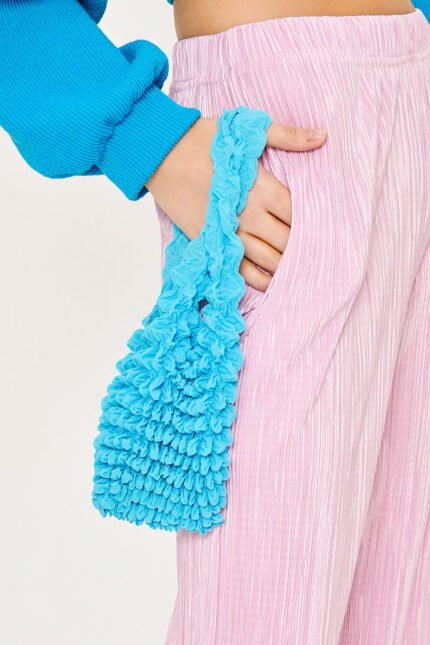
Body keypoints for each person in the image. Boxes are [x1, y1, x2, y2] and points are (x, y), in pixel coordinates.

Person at [1, 1, 430, 643]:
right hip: (278, 126)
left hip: (416, 95)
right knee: (262, 607)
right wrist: (143, 136)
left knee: (402, 606)